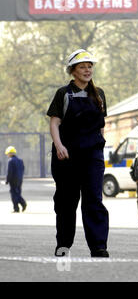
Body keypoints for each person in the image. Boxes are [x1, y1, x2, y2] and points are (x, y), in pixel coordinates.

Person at [47, 49, 110, 258]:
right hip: (67, 157)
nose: (87, 70)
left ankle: (98, 246)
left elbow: (101, 125)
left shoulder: (99, 94)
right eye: (82, 66)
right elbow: (54, 122)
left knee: (93, 200)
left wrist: (100, 143)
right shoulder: (64, 93)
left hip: (92, 156)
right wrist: (59, 145)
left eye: (90, 66)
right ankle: (63, 244)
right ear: (73, 71)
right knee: (66, 202)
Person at [5, 146, 26, 213]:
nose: (7, 155)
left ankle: (18, 207)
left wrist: (7, 181)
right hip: (20, 180)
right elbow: (23, 169)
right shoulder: (20, 160)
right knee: (18, 193)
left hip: (13, 180)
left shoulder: (10, 161)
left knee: (14, 194)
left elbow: (9, 172)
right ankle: (22, 204)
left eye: (8, 153)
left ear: (10, 153)